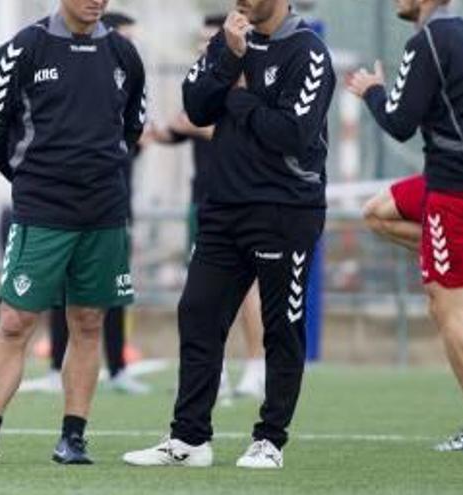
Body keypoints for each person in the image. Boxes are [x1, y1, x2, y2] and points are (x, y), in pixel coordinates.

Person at [124, 0, 334, 469]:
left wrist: (238, 97)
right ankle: (189, 439)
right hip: (222, 208)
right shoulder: (229, 39)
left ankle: (269, 440)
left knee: (282, 327)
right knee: (197, 313)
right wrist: (230, 57)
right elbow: (196, 108)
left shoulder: (308, 52)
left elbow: (292, 133)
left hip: (285, 209)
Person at [0, 0, 146, 466]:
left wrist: (101, 168)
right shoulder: (23, 47)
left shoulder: (124, 53)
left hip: (104, 211)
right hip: (42, 209)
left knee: (89, 321)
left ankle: (73, 438)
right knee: (15, 322)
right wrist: (30, 177)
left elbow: (133, 125)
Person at [345, 0, 463, 451]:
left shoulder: (426, 39)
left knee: (446, 310)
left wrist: (371, 89)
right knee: (377, 211)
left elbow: (398, 121)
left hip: (455, 190)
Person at [31, 10, 151, 396]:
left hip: (112, 204)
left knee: (107, 298)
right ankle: (54, 365)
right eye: (124, 34)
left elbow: (135, 128)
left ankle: (117, 368)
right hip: (58, 205)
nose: (128, 42)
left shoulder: (125, 67)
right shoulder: (54, 57)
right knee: (61, 292)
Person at [151, 13, 266, 400]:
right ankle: (212, 374)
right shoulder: (207, 79)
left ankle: (256, 367)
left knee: (247, 289)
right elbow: (178, 127)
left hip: (243, 200)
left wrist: (191, 125)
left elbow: (237, 129)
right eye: (202, 40)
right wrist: (154, 130)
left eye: (211, 38)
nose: (205, 46)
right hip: (203, 200)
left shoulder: (248, 75)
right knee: (200, 294)